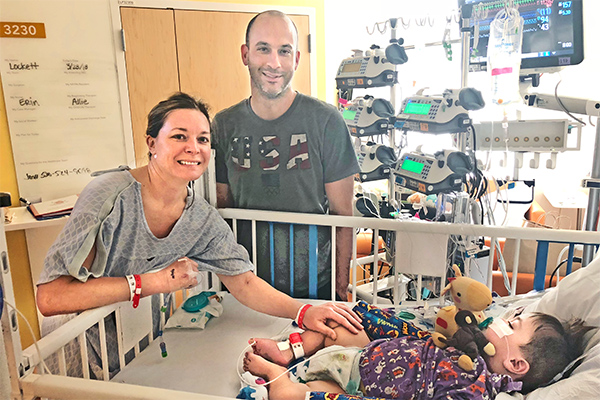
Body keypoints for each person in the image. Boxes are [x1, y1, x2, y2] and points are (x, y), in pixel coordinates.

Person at [36, 92, 362, 377]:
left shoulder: (199, 217)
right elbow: (51, 297)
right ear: (152, 143)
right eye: (179, 136)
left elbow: (244, 282)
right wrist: (154, 282)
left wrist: (302, 311)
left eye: (203, 139)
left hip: (135, 342)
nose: (193, 148)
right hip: (73, 343)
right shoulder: (108, 197)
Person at [213, 10, 360, 300]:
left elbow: (343, 215)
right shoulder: (223, 125)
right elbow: (222, 213)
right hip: (245, 287)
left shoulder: (327, 121)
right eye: (263, 49)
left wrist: (341, 288)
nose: (274, 63)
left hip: (314, 288)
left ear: (296, 59)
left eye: (284, 51)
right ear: (246, 54)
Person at [243, 301, 591, 399]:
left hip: (360, 384)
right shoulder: (466, 344)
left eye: (512, 327)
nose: (502, 322)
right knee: (342, 325)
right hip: (369, 351)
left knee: (315, 394)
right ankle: (289, 353)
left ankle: (285, 383)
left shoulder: (476, 388)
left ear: (515, 363)